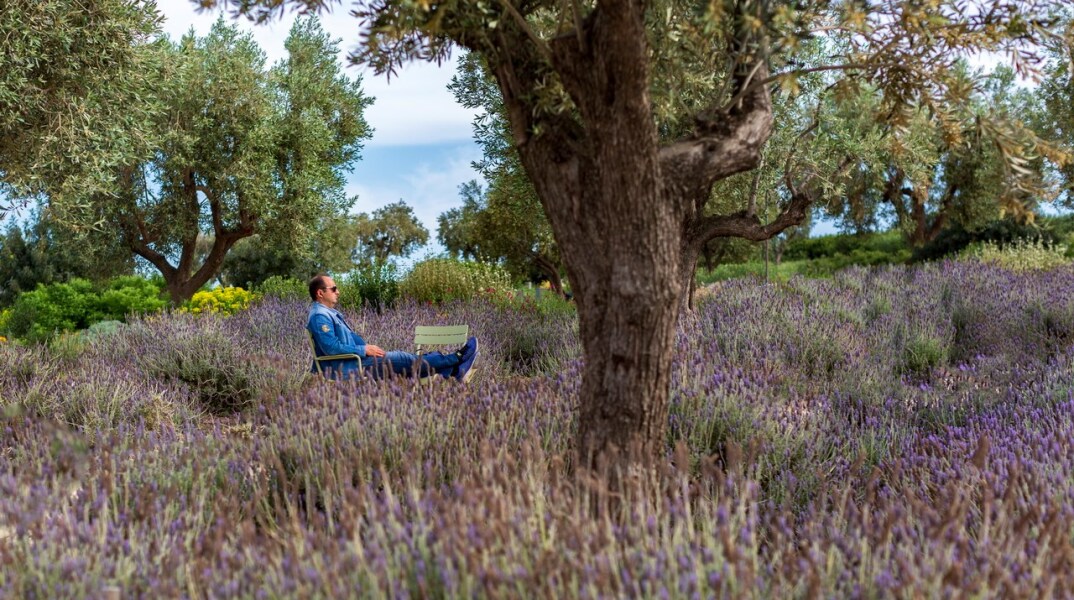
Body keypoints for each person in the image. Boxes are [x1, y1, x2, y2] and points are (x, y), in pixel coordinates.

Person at [307, 274, 479, 382]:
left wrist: (363, 349)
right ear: (320, 293)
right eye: (333, 288)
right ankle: (456, 358)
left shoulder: (327, 312)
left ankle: (452, 370)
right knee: (403, 359)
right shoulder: (320, 316)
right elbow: (331, 348)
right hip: (349, 366)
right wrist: (364, 349)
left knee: (404, 364)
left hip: (354, 361)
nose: (338, 292)